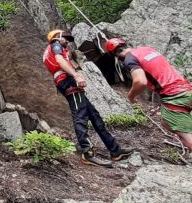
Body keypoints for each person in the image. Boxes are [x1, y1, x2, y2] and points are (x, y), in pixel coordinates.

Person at [106, 38, 192, 164]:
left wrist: (131, 96)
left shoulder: (129, 59)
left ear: (116, 56)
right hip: (188, 91)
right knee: (166, 122)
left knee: (189, 140)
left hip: (175, 97)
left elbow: (140, 81)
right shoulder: (146, 49)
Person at [42, 29, 134, 166]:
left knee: (94, 116)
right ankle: (88, 153)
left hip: (65, 81)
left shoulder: (54, 48)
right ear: (56, 37)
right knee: (80, 115)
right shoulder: (56, 45)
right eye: (65, 38)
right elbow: (60, 60)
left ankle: (115, 150)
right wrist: (76, 75)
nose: (67, 41)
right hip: (67, 81)